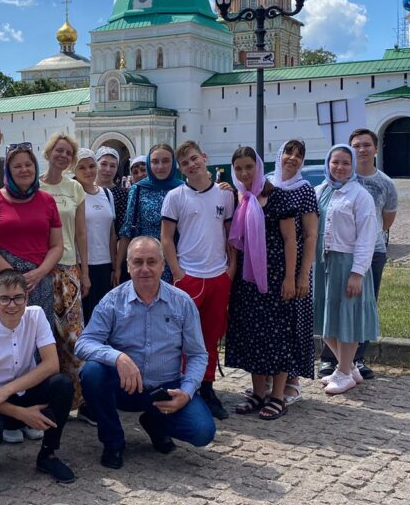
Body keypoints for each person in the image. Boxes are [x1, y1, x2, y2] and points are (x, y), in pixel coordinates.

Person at [76, 237, 215, 470]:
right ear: (128, 266)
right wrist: (118, 357)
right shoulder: (112, 301)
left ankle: (155, 423)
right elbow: (84, 343)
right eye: (138, 262)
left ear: (163, 265)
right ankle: (113, 442)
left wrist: (188, 392)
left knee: (202, 432)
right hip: (125, 387)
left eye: (152, 261)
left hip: (166, 388)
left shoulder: (182, 303)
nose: (145, 269)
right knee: (91, 373)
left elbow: (198, 355)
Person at [0, 142, 64, 443]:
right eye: (17, 166)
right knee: (2, 348)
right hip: (3, 282)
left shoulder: (47, 201)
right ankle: (6, 415)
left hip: (38, 282)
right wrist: (11, 278)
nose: (23, 170)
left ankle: (33, 413)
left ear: (35, 168)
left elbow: (57, 246)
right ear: (8, 171)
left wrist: (40, 272)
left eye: (28, 164)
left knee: (34, 350)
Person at [0, 270, 76, 482]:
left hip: (22, 392)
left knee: (62, 384)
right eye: (5, 299)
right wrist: (21, 414)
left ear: (27, 298)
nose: (12, 305)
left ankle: (48, 454)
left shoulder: (36, 315)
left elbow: (52, 365)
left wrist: (7, 390)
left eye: (18, 298)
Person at [225, 145, 310, 421]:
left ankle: (277, 396)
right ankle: (258, 392)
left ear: (258, 167)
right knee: (253, 334)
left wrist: (291, 278)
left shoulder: (276, 197)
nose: (244, 172)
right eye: (238, 168)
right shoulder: (242, 198)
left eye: (249, 166)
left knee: (278, 333)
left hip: (275, 278)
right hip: (247, 281)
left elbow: (290, 240)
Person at [160, 141, 236, 420]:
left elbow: (230, 235)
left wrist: (231, 269)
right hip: (189, 275)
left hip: (218, 275)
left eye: (194, 159)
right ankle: (182, 387)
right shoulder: (176, 196)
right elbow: (166, 237)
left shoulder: (225, 195)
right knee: (183, 336)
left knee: (211, 336)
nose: (192, 165)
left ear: (204, 158)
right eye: (185, 163)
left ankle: (207, 387)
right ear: (181, 169)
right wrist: (178, 273)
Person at [313, 145, 379, 396]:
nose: (339, 167)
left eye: (345, 163)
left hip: (346, 262)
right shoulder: (319, 191)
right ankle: (348, 367)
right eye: (335, 162)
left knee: (346, 318)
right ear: (327, 163)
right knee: (323, 317)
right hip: (321, 262)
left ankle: (343, 372)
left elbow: (367, 236)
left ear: (352, 167)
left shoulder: (359, 195)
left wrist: (357, 272)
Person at [338, 128, 398, 380]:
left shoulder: (385, 183)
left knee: (364, 306)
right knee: (337, 305)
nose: (361, 150)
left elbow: (387, 221)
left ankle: (358, 359)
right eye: (356, 145)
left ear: (376, 148)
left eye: (366, 145)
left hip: (373, 253)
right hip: (341, 253)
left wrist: (366, 240)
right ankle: (333, 361)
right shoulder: (341, 178)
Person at [264, 140, 319, 404]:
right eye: (288, 152)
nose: (292, 158)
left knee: (291, 324)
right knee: (270, 325)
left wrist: (302, 274)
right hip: (267, 268)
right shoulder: (266, 183)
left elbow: (310, 235)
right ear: (279, 155)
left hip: (294, 268)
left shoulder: (305, 190)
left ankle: (292, 380)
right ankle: (265, 381)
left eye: (299, 155)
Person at [39, 133, 87, 410]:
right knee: (44, 334)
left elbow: (81, 233)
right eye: (59, 150)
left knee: (72, 336)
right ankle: (48, 397)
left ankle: (76, 398)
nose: (63, 156)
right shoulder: (35, 187)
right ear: (48, 153)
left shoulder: (75, 189)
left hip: (69, 267)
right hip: (42, 267)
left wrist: (85, 270)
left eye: (68, 152)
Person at [117, 144, 182, 285]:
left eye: (166, 161)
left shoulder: (182, 189)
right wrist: (117, 268)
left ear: (173, 162)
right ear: (149, 164)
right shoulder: (139, 189)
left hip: (180, 259)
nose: (160, 166)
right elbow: (127, 229)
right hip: (147, 259)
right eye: (155, 162)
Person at [76, 148, 117, 322]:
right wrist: (81, 270)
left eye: (92, 166)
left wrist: (115, 267)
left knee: (105, 315)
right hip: (81, 265)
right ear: (74, 170)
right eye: (82, 167)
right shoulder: (74, 193)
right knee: (85, 316)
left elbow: (111, 233)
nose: (88, 171)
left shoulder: (106, 194)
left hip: (105, 265)